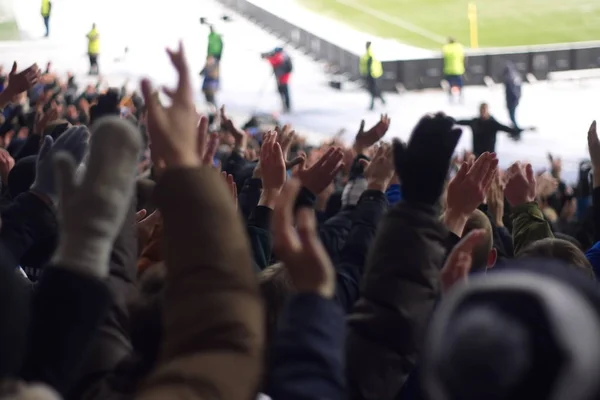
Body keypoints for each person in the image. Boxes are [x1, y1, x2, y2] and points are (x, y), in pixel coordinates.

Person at [455, 103, 525, 156]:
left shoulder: (493, 124)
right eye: (481, 110)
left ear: (487, 111)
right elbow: (461, 121)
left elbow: (506, 128)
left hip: (489, 154)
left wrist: (522, 130)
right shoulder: (474, 122)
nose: (483, 112)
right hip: (477, 154)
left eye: (484, 110)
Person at [262, 47, 292, 113]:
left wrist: (268, 58)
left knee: (283, 92)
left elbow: (275, 62)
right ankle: (286, 107)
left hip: (282, 78)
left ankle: (286, 107)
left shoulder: (280, 57)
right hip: (282, 77)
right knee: (283, 92)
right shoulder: (284, 56)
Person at [359, 41, 386, 111]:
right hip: (374, 74)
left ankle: (373, 104)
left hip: (372, 74)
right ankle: (381, 100)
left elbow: (368, 66)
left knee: (372, 89)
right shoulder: (370, 54)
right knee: (374, 89)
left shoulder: (369, 55)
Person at [442, 37, 465, 102]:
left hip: (448, 69)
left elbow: (444, 55)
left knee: (449, 84)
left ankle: (450, 96)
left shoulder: (446, 47)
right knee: (459, 84)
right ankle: (460, 96)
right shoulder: (459, 47)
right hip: (458, 69)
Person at [503, 61, 522, 128]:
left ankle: (516, 130)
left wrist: (514, 100)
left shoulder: (510, 79)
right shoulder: (514, 77)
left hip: (512, 100)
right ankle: (514, 129)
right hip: (512, 100)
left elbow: (513, 91)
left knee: (512, 116)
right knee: (511, 116)